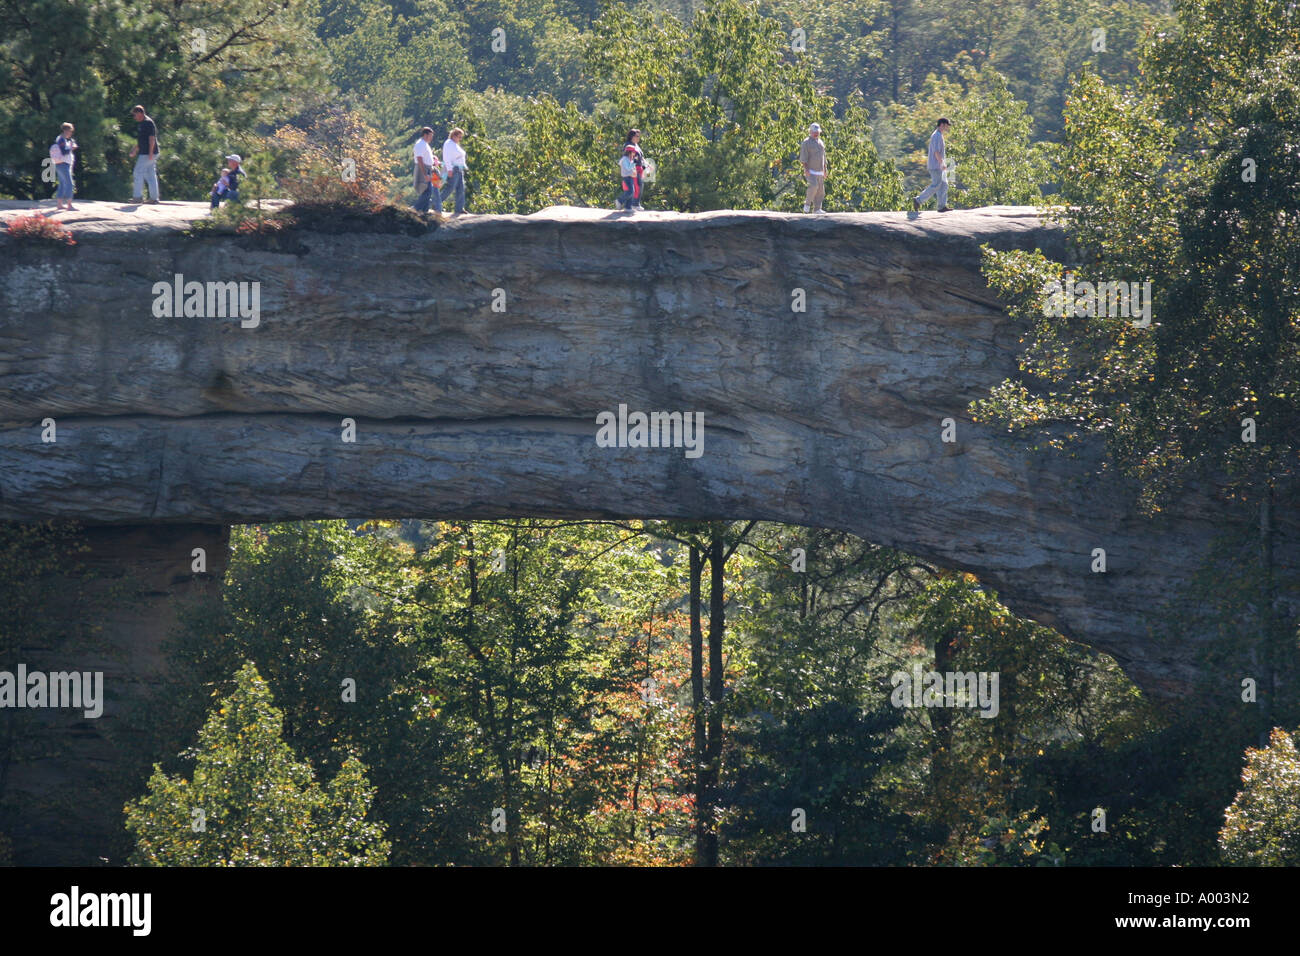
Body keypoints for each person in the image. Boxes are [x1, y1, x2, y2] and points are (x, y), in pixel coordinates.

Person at [912, 118, 951, 213]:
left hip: (937, 165)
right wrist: (941, 163)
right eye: (946, 125)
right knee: (936, 185)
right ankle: (918, 200)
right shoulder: (937, 135)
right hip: (935, 166)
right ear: (942, 124)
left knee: (944, 185)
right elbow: (936, 152)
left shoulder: (938, 135)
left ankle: (942, 206)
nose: (947, 127)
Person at [128, 104, 160, 204]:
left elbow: (152, 139)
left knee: (138, 172)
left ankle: (137, 197)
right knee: (150, 174)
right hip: (147, 152)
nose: (134, 117)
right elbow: (141, 140)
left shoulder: (148, 123)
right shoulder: (142, 123)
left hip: (147, 153)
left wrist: (150, 153)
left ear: (140, 113)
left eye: (135, 115)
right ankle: (154, 198)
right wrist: (135, 149)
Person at [412, 127, 444, 214]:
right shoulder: (420, 144)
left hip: (428, 168)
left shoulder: (425, 144)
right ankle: (415, 208)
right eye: (430, 136)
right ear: (425, 135)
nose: (431, 138)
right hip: (423, 168)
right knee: (427, 191)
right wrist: (425, 174)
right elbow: (419, 159)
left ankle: (424, 211)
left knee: (428, 191)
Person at [799, 122, 828, 212]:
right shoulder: (806, 142)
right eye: (814, 131)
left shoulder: (821, 142)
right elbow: (803, 158)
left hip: (820, 171)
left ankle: (817, 209)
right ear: (810, 131)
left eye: (818, 132)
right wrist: (806, 169)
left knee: (820, 192)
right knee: (813, 186)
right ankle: (807, 204)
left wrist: (825, 170)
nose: (816, 133)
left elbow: (824, 157)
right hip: (811, 171)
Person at [50, 123, 78, 211]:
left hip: (59, 164)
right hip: (63, 164)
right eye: (70, 131)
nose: (71, 133)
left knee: (62, 184)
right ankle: (69, 205)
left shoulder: (60, 139)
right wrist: (71, 147)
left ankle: (59, 205)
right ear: (66, 130)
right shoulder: (61, 140)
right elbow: (64, 152)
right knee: (70, 183)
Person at [439, 127, 467, 215]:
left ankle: (459, 208)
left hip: (459, 169)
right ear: (454, 135)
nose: (460, 139)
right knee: (450, 188)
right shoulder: (448, 143)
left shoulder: (454, 144)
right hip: (453, 169)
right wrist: (449, 169)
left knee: (461, 189)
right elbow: (446, 157)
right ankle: (435, 203)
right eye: (459, 137)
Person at [625, 129, 645, 210]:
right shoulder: (628, 145)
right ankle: (634, 204)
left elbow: (641, 156)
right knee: (635, 186)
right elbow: (628, 158)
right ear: (631, 136)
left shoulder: (636, 145)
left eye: (639, 136)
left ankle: (636, 203)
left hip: (639, 168)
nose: (638, 138)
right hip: (633, 169)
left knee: (640, 185)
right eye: (637, 136)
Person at [619, 145, 639, 210]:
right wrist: (634, 162)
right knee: (630, 191)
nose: (634, 153)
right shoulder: (625, 159)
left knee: (631, 192)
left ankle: (628, 207)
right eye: (633, 152)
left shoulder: (629, 159)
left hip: (630, 177)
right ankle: (619, 200)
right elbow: (628, 168)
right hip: (626, 177)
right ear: (629, 152)